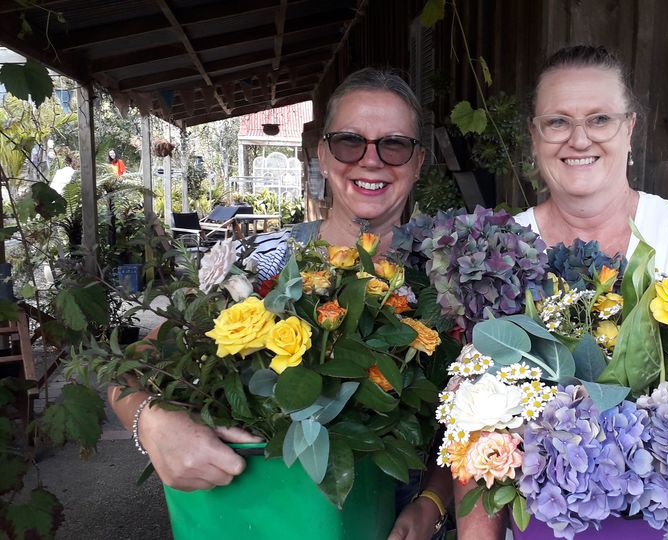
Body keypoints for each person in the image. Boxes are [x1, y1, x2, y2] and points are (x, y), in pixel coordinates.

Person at [108, 68, 451, 540]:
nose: (371, 160)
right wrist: (150, 421)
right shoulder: (261, 261)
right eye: (349, 142)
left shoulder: (449, 276)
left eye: (394, 145)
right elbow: (129, 365)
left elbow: (480, 421)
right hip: (266, 517)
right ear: (322, 155)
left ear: (418, 162)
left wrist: (432, 503)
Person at [453, 45, 668, 540]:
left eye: (600, 119)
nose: (579, 138)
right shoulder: (500, 251)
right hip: (541, 527)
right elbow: (474, 423)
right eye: (557, 122)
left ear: (630, 128)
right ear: (534, 136)